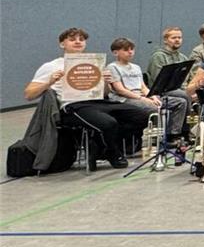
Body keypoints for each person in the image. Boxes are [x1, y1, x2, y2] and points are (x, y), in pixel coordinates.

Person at [24, 28, 151, 169]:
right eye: (72, 39)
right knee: (108, 123)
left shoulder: (93, 63)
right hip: (73, 106)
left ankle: (100, 146)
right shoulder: (51, 66)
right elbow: (29, 94)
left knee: (144, 115)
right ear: (62, 44)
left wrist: (105, 82)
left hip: (98, 102)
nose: (78, 42)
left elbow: (104, 93)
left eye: (81, 39)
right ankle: (112, 152)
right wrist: (49, 82)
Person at [107, 36, 189, 152]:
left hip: (141, 96)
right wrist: (143, 99)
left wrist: (152, 95)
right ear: (116, 52)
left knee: (180, 102)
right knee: (154, 108)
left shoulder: (136, 67)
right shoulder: (112, 67)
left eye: (132, 49)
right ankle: (159, 138)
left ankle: (172, 135)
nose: (130, 52)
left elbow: (143, 87)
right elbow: (120, 90)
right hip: (124, 99)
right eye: (126, 50)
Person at [145, 26, 194, 140]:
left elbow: (190, 78)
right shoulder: (158, 56)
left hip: (179, 90)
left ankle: (177, 132)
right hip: (161, 92)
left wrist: (192, 90)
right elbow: (159, 80)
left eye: (179, 37)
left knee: (186, 96)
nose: (177, 40)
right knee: (185, 95)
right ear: (166, 40)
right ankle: (185, 131)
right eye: (174, 38)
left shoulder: (183, 57)